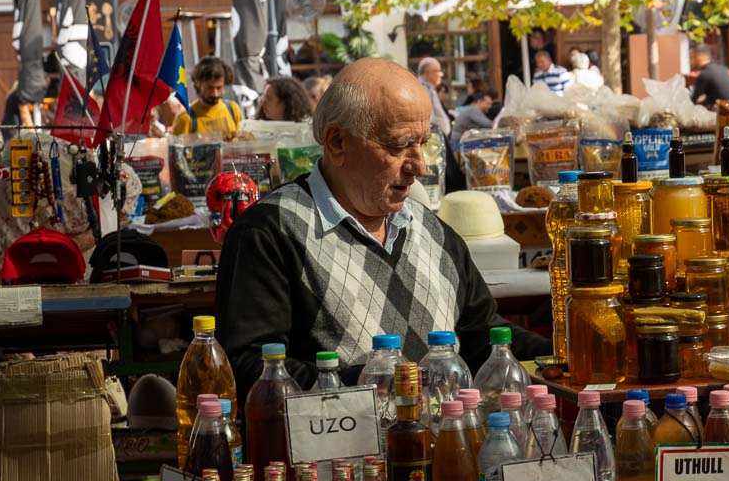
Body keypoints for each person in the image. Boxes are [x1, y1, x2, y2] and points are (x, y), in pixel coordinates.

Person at [215, 57, 550, 393]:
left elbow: (484, 339)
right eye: (398, 145)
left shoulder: (433, 231)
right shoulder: (268, 233)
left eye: (422, 143)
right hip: (341, 443)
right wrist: (373, 384)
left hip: (445, 439)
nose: (419, 166)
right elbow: (248, 367)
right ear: (337, 142)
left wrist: (560, 354)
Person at [172, 57, 243, 140]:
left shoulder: (233, 109)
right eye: (209, 88)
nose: (215, 94)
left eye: (219, 88)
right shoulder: (185, 119)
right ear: (198, 84)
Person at [416, 57, 452, 137]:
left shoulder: (430, 88)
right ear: (428, 73)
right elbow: (428, 118)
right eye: (438, 71)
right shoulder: (422, 89)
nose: (441, 74)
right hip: (433, 139)